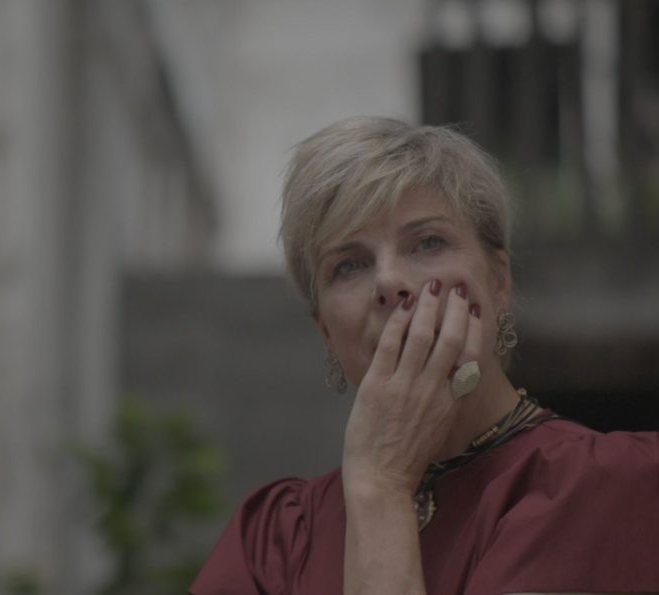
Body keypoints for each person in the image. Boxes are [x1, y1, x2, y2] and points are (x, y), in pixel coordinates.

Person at [189, 117, 659, 595]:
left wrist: (381, 485)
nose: (388, 281)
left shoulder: (619, 484)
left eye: (428, 242)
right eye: (349, 265)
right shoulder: (273, 543)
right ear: (325, 331)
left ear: (499, 281)